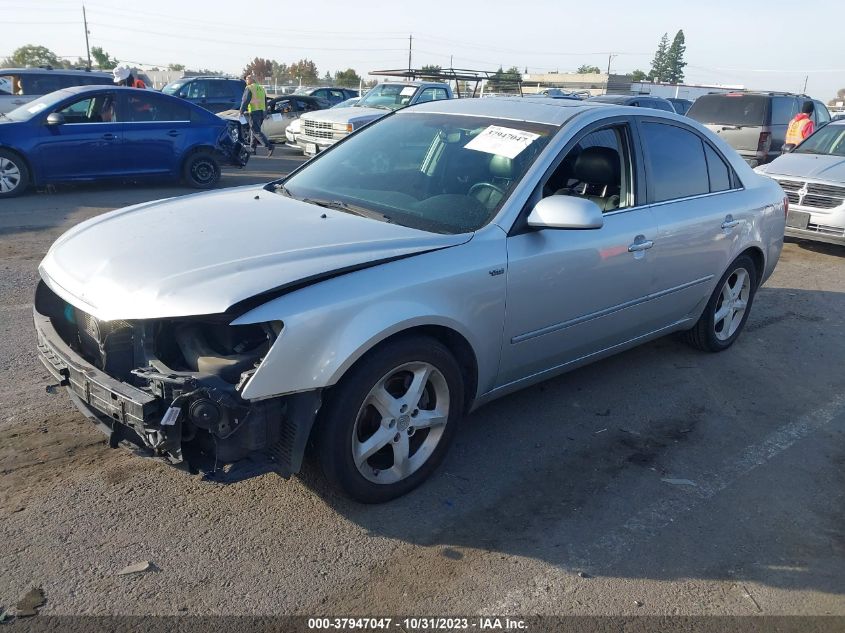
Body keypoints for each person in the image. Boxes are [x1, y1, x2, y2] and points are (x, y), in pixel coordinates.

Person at [240, 74, 274, 157]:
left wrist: (241, 111)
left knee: (255, 131)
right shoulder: (261, 88)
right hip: (262, 112)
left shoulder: (249, 88)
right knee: (253, 131)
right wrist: (265, 112)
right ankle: (253, 149)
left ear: (251, 80)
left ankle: (269, 146)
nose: (246, 81)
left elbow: (245, 101)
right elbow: (265, 101)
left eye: (247, 79)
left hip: (254, 112)